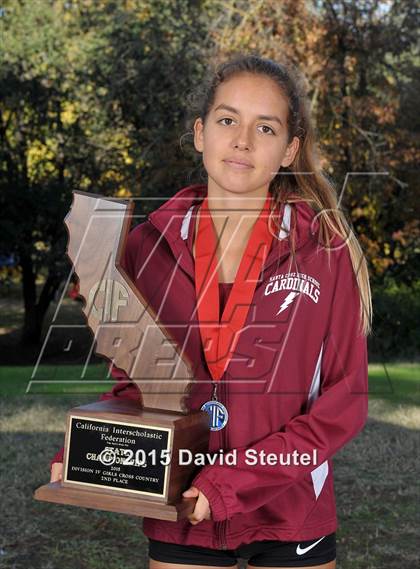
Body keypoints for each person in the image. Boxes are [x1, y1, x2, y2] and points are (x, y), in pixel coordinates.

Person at [50, 54, 372, 569]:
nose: (242, 140)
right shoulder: (144, 246)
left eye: (264, 127)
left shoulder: (326, 251)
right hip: (181, 502)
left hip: (289, 506)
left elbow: (344, 403)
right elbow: (138, 383)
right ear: (201, 133)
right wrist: (95, 452)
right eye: (227, 120)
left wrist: (235, 481)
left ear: (289, 150)